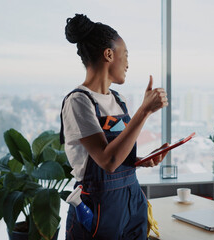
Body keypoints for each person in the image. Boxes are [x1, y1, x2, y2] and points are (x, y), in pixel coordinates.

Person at [60, 14, 168, 240]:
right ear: (109, 54)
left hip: (132, 201)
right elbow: (107, 161)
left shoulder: (119, 100)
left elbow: (119, 156)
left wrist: (139, 161)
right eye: (125, 55)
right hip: (99, 208)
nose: (128, 63)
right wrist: (144, 111)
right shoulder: (79, 101)